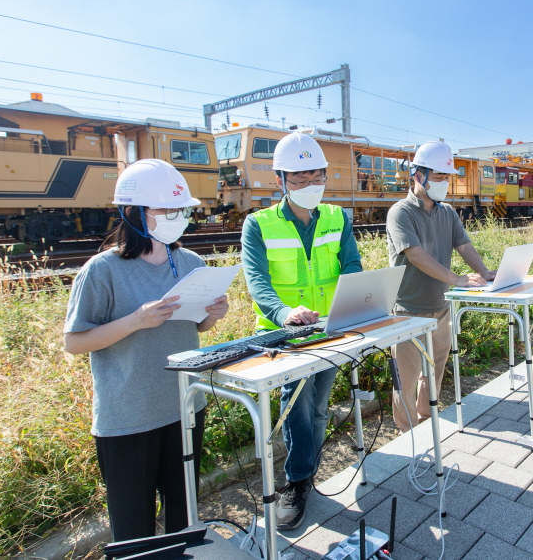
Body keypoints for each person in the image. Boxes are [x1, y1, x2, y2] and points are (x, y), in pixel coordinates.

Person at [64, 159, 230, 541]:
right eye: (167, 210)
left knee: (183, 514)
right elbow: (74, 342)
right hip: (128, 417)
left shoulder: (190, 262)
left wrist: (212, 316)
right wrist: (135, 320)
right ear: (132, 212)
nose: (177, 217)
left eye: (182, 210)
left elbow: (195, 328)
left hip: (185, 406)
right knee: (134, 528)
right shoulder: (102, 270)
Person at [241, 128, 362, 530]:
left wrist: (357, 301)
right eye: (300, 179)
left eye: (317, 177)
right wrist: (283, 312)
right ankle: (296, 482)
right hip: (287, 335)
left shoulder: (336, 217)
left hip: (332, 327)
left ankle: (306, 473)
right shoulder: (258, 225)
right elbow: (257, 282)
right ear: (281, 181)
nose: (311, 186)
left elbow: (353, 266)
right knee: (296, 405)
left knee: (320, 405)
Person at [386, 140, 496, 432]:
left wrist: (484, 272)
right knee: (406, 380)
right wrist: (457, 279)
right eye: (438, 176)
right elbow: (415, 254)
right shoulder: (401, 212)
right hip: (408, 310)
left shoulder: (447, 212)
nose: (444, 183)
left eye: (447, 177)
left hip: (440, 307)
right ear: (418, 175)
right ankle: (407, 432)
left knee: (434, 371)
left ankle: (426, 419)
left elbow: (464, 245)